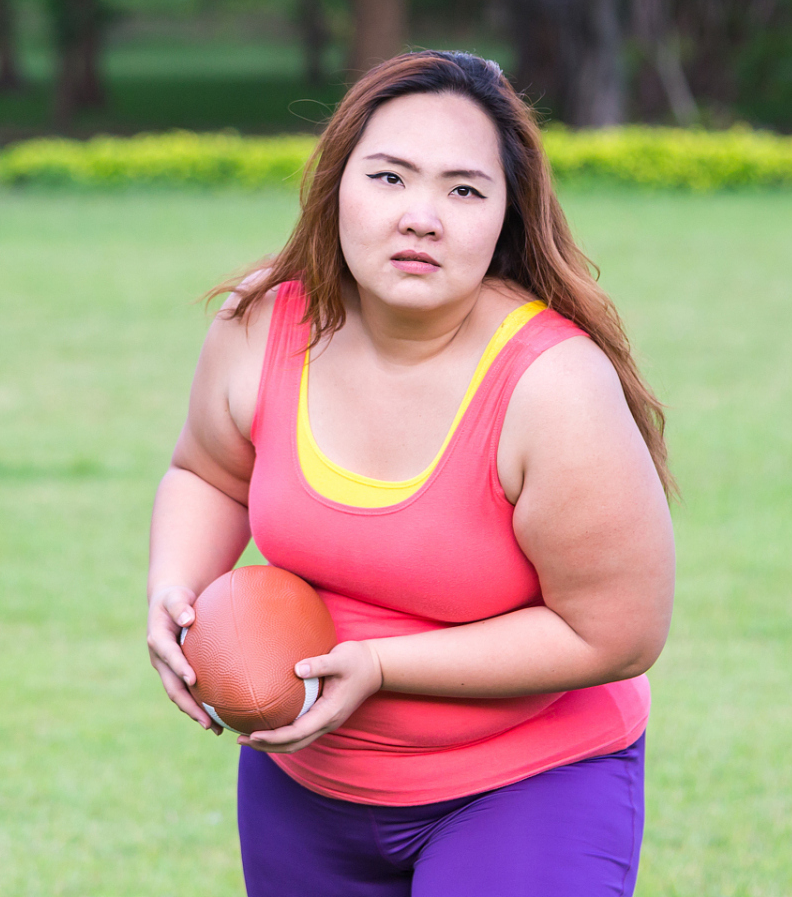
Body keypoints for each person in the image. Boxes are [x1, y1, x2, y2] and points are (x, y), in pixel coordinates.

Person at [145, 50, 676, 896]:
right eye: (389, 177)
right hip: (303, 790)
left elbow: (618, 632)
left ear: (505, 217)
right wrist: (174, 591)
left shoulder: (553, 386)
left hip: (527, 788)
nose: (420, 216)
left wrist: (383, 667)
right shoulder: (264, 324)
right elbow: (208, 474)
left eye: (464, 190)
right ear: (337, 187)